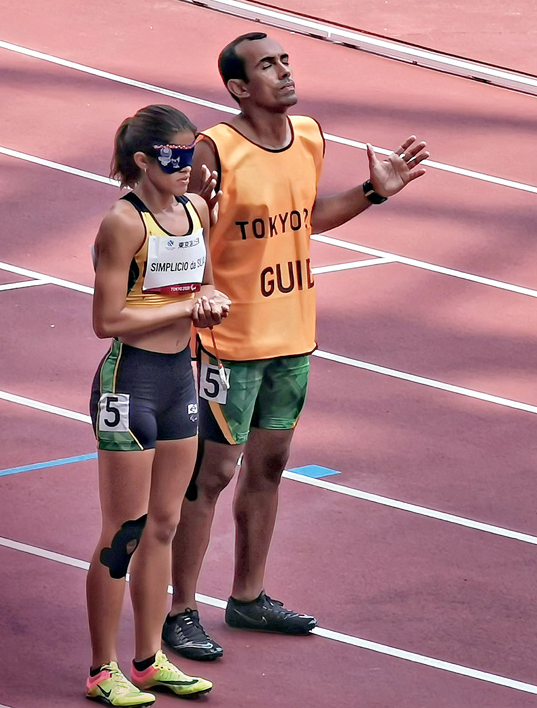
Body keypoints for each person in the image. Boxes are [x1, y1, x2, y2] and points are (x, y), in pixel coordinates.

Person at [162, 32, 429, 661]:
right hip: (229, 342)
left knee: (270, 467)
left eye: (284, 61)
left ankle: (249, 597)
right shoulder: (215, 150)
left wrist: (372, 194)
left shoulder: (308, 136)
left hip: (292, 336)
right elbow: (186, 231)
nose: (283, 72)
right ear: (237, 87)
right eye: (267, 66)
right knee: (213, 473)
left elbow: (305, 216)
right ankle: (179, 609)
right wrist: (194, 296)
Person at [86, 103, 231, 706]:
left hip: (180, 380)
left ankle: (148, 660)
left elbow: (200, 284)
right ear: (143, 161)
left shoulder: (195, 211)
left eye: (192, 154)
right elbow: (106, 320)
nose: (187, 166)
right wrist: (187, 308)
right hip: (131, 382)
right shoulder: (123, 223)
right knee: (125, 530)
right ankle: (102, 669)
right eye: (175, 157)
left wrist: (208, 301)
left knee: (165, 525)